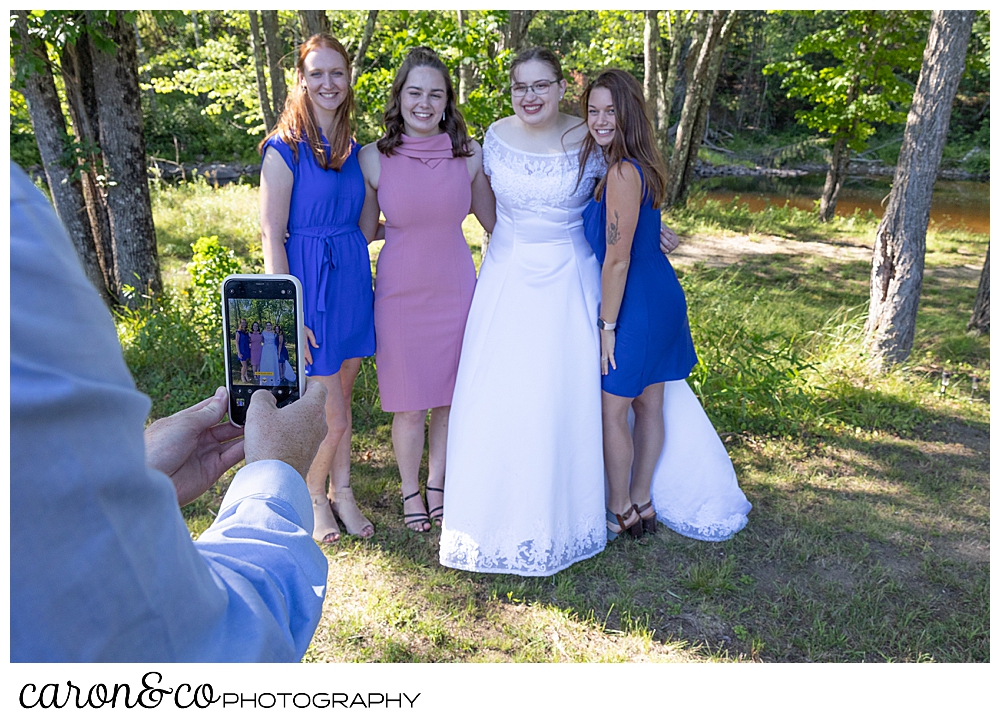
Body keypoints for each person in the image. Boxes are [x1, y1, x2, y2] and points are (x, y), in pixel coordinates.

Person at [10, 162, 330, 662]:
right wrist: (277, 472)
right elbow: (216, 645)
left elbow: (41, 526)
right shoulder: (15, 232)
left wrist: (137, 475)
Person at [438, 48, 610, 575]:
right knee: (499, 388)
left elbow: (617, 196)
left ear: (562, 88)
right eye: (520, 87)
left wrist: (652, 224)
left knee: (559, 389)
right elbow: (486, 209)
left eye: (541, 86)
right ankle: (490, 501)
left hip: (569, 276)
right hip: (508, 275)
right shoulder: (494, 136)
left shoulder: (590, 136)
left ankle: (567, 508)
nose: (530, 96)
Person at [357, 47, 495, 532]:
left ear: (447, 101)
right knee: (409, 402)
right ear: (400, 96)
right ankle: (409, 491)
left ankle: (438, 483)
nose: (424, 102)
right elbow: (362, 230)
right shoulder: (372, 157)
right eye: (415, 92)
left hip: (457, 288)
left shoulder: (470, 154)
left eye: (435, 94)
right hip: (399, 293)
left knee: (448, 399)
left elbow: (495, 221)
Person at [259, 33, 375, 543]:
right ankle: (312, 496)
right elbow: (271, 233)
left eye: (337, 73)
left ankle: (343, 492)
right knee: (327, 405)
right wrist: (291, 311)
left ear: (348, 79)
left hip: (350, 276)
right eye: (318, 73)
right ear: (301, 81)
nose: (329, 83)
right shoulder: (284, 150)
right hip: (309, 281)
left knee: (344, 396)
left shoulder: (354, 150)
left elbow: (366, 224)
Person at [579, 69, 699, 539]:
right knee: (650, 406)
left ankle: (619, 507)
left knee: (614, 410)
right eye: (593, 110)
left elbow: (617, 261)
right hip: (661, 293)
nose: (600, 119)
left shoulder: (623, 171)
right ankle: (642, 500)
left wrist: (607, 325)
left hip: (637, 304)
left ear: (628, 114)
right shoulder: (640, 164)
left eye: (611, 110)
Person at [259, 321, 281, 386]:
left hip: (273, 350)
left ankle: (273, 380)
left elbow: (279, 341)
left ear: (271, 326)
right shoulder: (263, 332)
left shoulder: (274, 333)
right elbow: (261, 340)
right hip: (265, 349)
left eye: (269, 325)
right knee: (265, 364)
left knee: (272, 363)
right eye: (267, 325)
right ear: (265, 326)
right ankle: (264, 380)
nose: (268, 326)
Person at [236, 318, 252, 382]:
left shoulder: (246, 332)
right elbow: (237, 342)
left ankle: (246, 376)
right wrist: (238, 352)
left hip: (247, 350)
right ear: (240, 324)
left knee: (246, 365)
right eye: (242, 322)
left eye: (244, 322)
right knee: (244, 365)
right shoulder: (238, 332)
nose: (243, 324)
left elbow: (249, 341)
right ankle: (242, 376)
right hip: (241, 350)